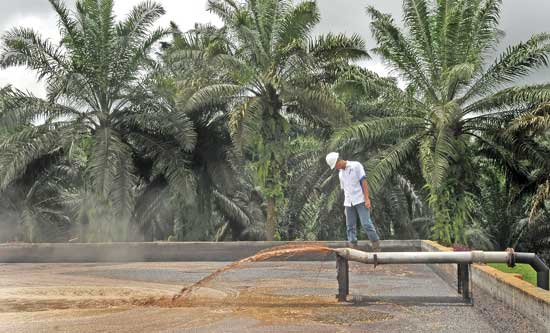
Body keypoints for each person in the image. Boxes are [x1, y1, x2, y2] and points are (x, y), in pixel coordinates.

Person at [326, 152, 380, 251]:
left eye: (336, 165)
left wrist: (367, 198)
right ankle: (353, 248)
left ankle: (376, 245)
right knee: (350, 226)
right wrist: (345, 207)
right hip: (348, 203)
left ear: (339, 160)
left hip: (360, 200)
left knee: (366, 223)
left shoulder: (356, 165)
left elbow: (364, 182)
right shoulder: (340, 174)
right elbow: (345, 190)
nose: (336, 168)